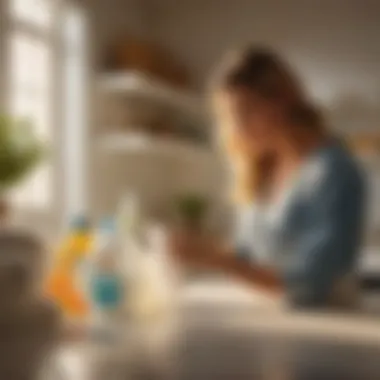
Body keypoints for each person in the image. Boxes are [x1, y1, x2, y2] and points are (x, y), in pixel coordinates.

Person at [170, 46, 366, 309]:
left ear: (281, 101)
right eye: (231, 117)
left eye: (246, 111)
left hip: (326, 330)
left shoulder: (335, 172)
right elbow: (248, 254)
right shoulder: (264, 169)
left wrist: (217, 260)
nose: (237, 128)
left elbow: (310, 285)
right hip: (273, 323)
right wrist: (201, 250)